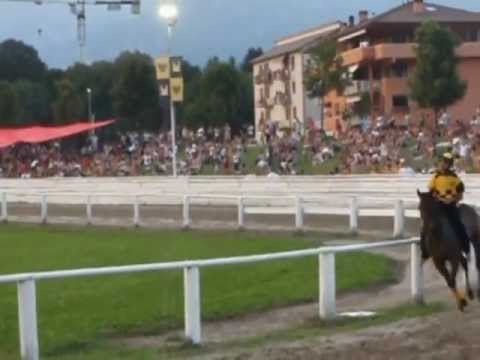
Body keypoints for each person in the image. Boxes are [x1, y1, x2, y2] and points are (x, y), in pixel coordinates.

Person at [421, 152, 470, 260]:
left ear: (450, 165)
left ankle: (465, 250)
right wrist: (438, 198)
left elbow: (460, 194)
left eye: (446, 163)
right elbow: (431, 192)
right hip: (438, 205)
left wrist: (452, 200)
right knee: (425, 227)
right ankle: (424, 252)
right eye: (442, 162)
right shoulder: (436, 176)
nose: (443, 164)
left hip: (450, 206)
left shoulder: (454, 177)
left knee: (458, 225)